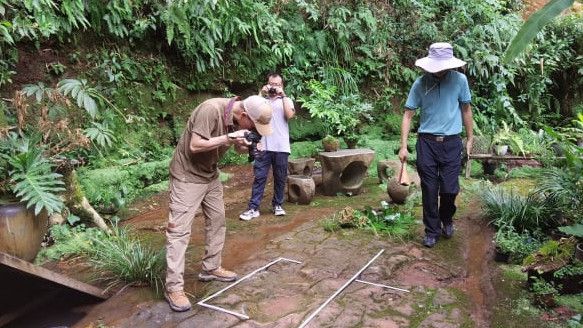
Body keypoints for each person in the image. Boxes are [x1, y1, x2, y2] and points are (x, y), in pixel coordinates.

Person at [164, 95, 273, 312]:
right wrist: (229, 138)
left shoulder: (235, 119)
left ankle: (210, 268)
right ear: (243, 116)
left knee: (217, 221)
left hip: (210, 175)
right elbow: (195, 146)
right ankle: (173, 287)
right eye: (254, 126)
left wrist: (244, 144)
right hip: (187, 176)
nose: (257, 130)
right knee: (179, 232)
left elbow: (235, 146)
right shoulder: (210, 110)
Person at [398, 42, 474, 248]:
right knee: (429, 189)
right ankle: (432, 230)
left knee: (450, 189)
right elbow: (407, 115)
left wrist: (470, 138)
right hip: (427, 143)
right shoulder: (420, 83)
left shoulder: (460, 80)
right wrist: (403, 146)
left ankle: (447, 218)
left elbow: (466, 109)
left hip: (451, 142)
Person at [239, 73, 295, 221]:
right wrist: (260, 93)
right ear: (267, 84)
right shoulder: (261, 101)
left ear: (281, 86)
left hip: (281, 145)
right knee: (260, 177)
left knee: (280, 177)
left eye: (277, 84)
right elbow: (251, 112)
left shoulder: (287, 100)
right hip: (263, 144)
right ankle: (253, 208)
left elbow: (289, 115)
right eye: (272, 84)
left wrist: (283, 96)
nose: (274, 87)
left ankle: (278, 205)